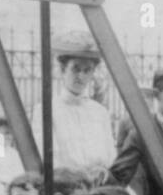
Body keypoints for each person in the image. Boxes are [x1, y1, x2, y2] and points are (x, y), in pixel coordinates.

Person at [30, 32, 115, 173]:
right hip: (65, 186)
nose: (81, 76)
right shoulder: (46, 110)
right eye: (75, 69)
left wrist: (102, 171)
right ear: (63, 70)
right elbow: (48, 158)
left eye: (87, 70)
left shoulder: (100, 112)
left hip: (99, 186)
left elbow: (110, 154)